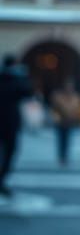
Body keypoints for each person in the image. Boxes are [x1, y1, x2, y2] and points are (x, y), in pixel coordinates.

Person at [0, 54, 33, 197]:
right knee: (10, 152)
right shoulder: (16, 80)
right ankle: (1, 180)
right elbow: (27, 92)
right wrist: (22, 77)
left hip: (8, 122)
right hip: (10, 123)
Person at [50, 81, 80, 168]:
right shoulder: (58, 96)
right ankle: (61, 157)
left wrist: (77, 118)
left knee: (67, 141)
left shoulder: (76, 97)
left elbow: (77, 109)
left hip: (69, 122)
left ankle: (65, 157)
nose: (69, 89)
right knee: (61, 140)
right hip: (60, 122)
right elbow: (56, 108)